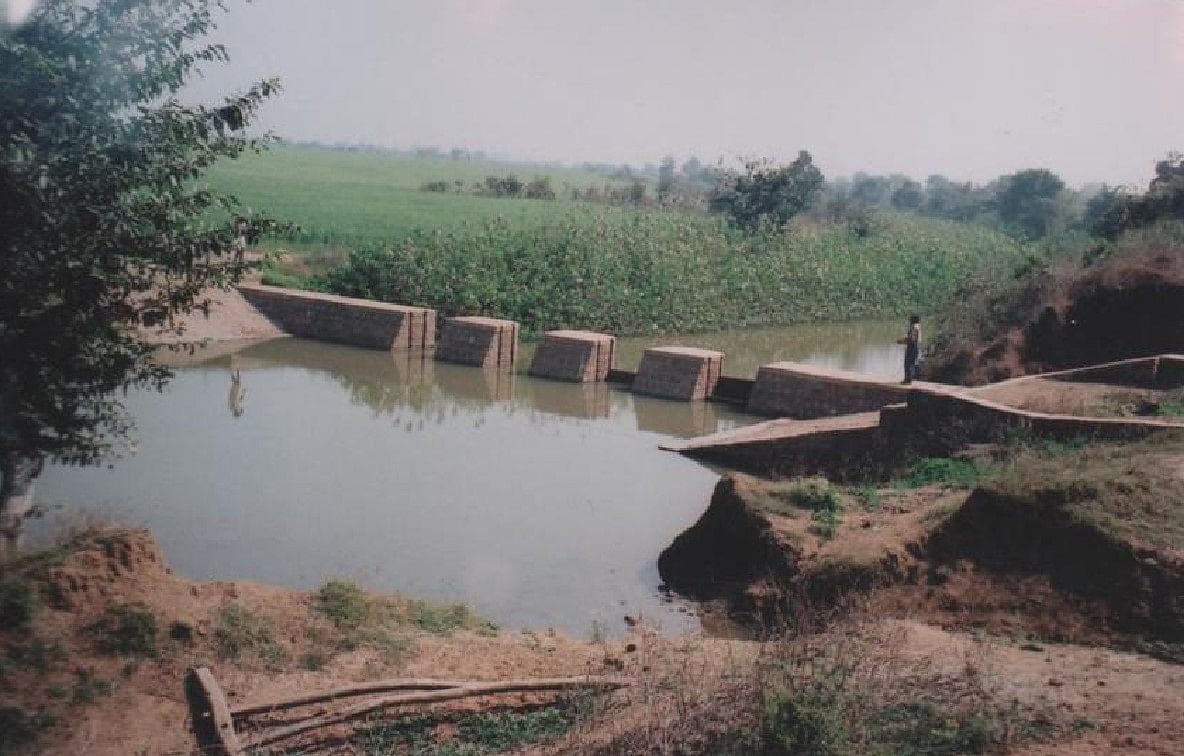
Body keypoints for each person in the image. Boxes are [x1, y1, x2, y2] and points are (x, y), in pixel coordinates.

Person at [897, 314, 921, 384]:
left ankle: (907, 380)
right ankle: (908, 379)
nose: (909, 320)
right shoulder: (917, 327)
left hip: (912, 348)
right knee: (911, 364)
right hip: (915, 347)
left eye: (911, 319)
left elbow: (912, 339)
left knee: (908, 364)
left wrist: (901, 341)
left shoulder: (914, 328)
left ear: (913, 320)